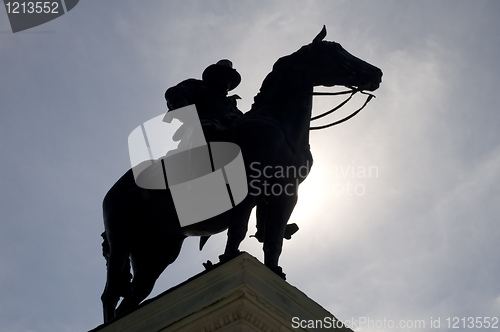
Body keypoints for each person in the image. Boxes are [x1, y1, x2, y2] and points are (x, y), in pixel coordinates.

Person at [164, 59, 243, 142]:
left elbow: (242, 119)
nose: (227, 80)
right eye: (224, 74)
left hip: (230, 133)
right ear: (216, 74)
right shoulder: (197, 86)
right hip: (204, 129)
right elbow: (174, 93)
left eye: (230, 77)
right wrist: (190, 117)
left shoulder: (230, 104)